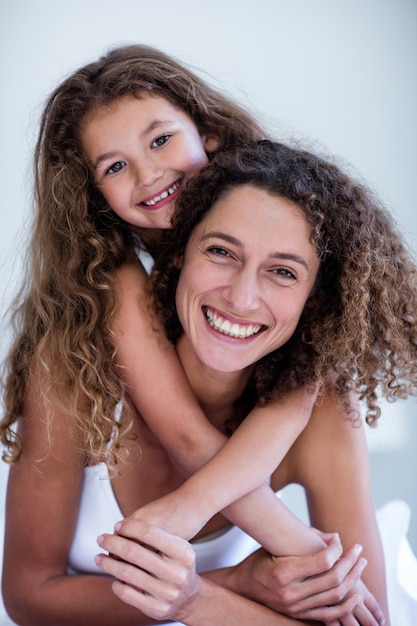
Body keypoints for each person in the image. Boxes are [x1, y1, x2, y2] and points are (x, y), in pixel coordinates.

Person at [0, 44, 394, 625]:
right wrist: (249, 575)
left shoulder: (306, 356)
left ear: (208, 133)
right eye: (114, 166)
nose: (151, 174)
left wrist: (316, 572)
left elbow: (287, 408)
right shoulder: (113, 287)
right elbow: (187, 437)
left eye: (160, 140)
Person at [96, 140, 417, 625]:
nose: (242, 298)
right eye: (222, 251)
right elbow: (28, 599)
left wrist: (197, 599)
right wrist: (242, 585)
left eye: (283, 272)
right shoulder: (80, 370)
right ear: (181, 250)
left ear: (316, 298)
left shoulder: (322, 412)